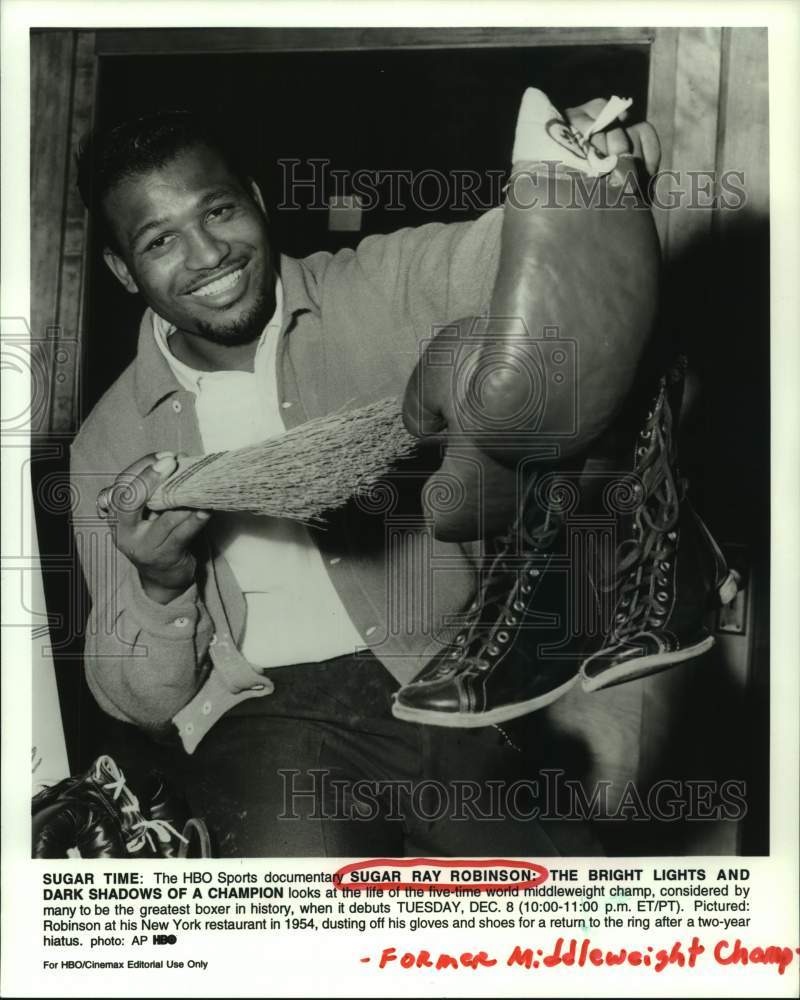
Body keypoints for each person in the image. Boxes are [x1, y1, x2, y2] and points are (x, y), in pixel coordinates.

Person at [70, 90, 711, 857]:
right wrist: (161, 584)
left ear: (258, 201)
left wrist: (578, 177)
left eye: (218, 212)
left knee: (575, 916)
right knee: (299, 935)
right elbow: (134, 700)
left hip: (442, 684)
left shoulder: (376, 287)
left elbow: (510, 257)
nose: (208, 256)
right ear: (120, 267)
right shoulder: (109, 442)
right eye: (159, 242)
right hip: (264, 718)